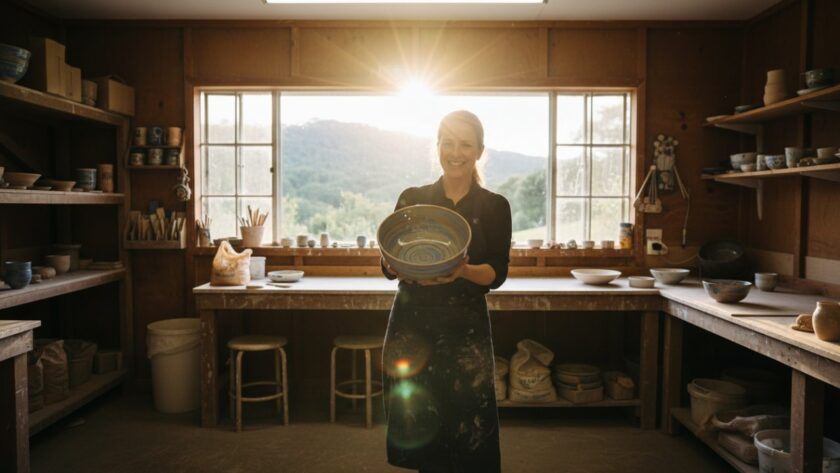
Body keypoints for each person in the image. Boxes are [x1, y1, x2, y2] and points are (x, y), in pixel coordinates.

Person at [381, 110, 512, 473]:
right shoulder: (413, 198)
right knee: (423, 423)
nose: (456, 152)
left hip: (464, 328)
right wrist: (393, 264)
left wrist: (463, 270)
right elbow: (389, 263)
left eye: (466, 144)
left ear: (479, 151)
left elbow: (497, 272)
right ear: (437, 146)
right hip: (414, 323)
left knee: (469, 426)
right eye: (448, 143)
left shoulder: (494, 206)